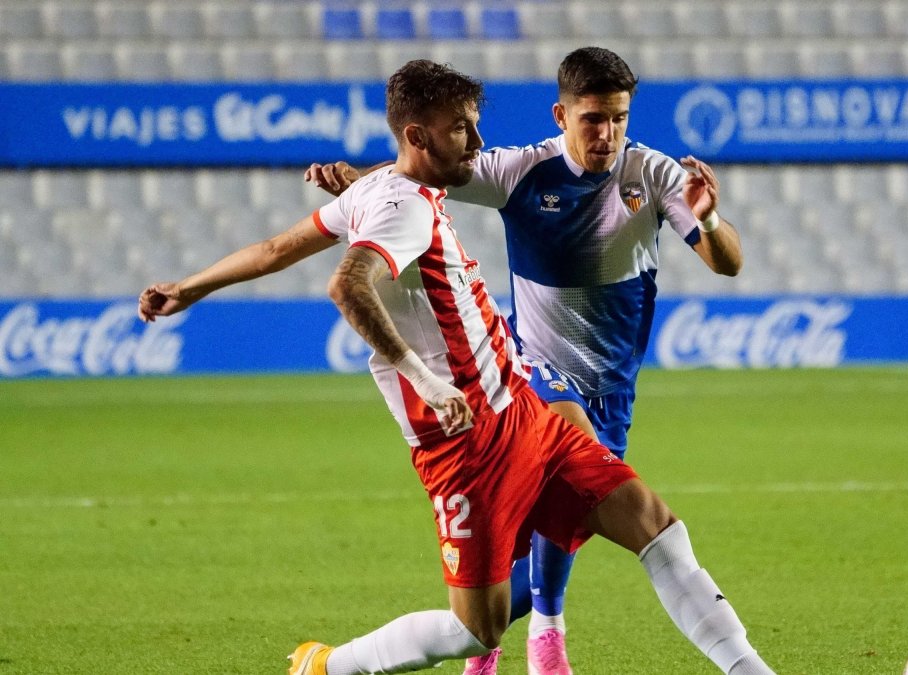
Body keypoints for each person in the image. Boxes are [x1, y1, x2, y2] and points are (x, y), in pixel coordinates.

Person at [139, 60, 773, 675]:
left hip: (523, 411)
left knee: (654, 525)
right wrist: (426, 378)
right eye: (462, 128)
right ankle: (330, 665)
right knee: (477, 629)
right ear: (418, 137)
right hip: (467, 445)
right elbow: (347, 286)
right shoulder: (406, 206)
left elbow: (276, 248)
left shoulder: (387, 190)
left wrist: (189, 288)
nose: (478, 140)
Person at [305, 46, 744, 675]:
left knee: (544, 549)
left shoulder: (656, 175)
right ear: (561, 114)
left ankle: (476, 647)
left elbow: (726, 262)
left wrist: (712, 217)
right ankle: (549, 638)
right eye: (593, 118)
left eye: (619, 118)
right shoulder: (519, 170)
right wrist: (364, 182)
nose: (608, 133)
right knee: (627, 520)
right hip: (531, 372)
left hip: (611, 385)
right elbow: (430, 163)